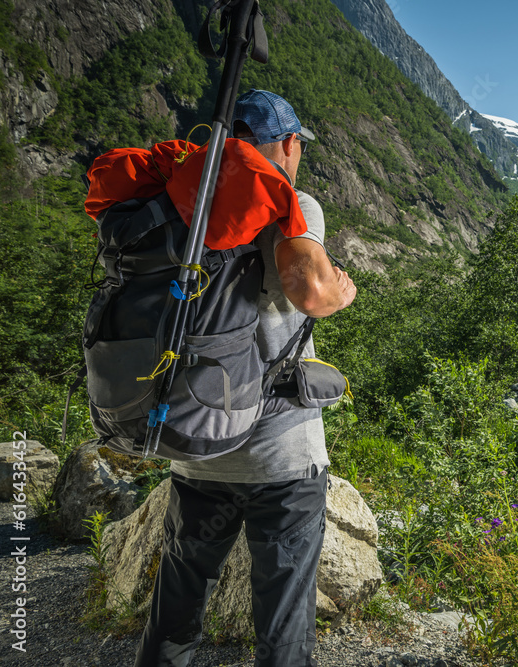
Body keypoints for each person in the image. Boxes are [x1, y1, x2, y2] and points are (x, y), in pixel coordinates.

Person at [135, 89, 356, 667]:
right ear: (287, 144)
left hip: (198, 439)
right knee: (281, 625)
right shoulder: (293, 200)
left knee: (177, 609)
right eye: (297, 146)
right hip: (280, 456)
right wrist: (342, 290)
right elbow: (310, 292)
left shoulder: (186, 202)